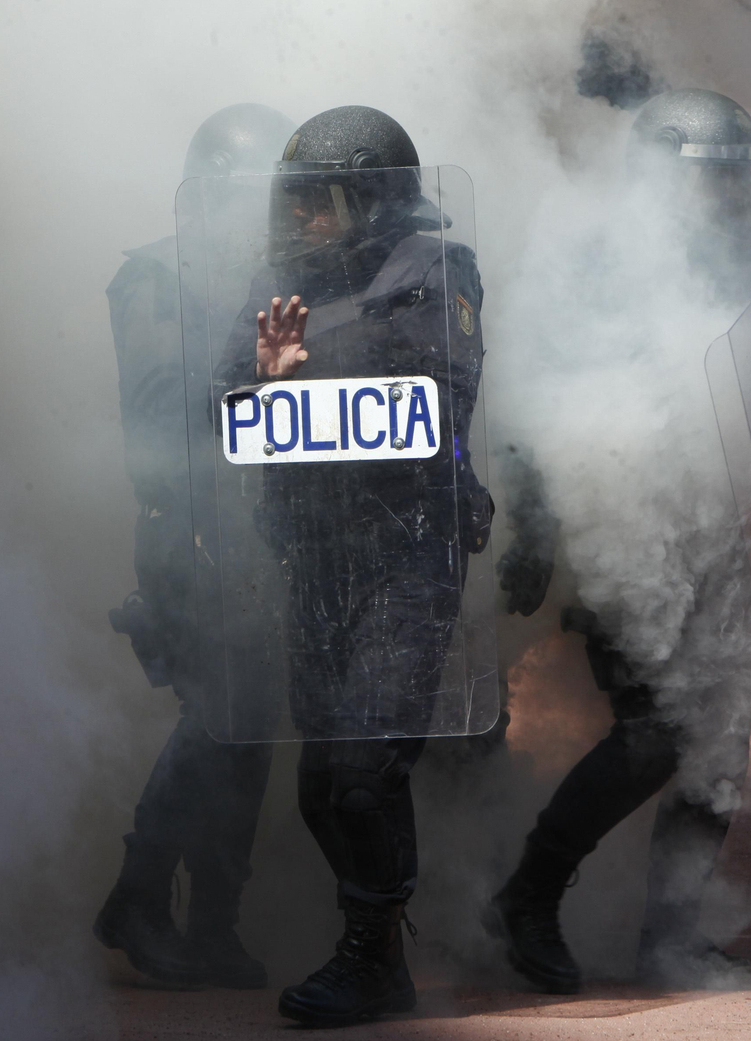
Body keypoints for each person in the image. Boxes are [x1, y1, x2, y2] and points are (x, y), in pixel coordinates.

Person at [487, 88, 751, 994]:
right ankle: (527, 894)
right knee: (653, 735)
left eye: (738, 180)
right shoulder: (596, 262)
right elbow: (536, 393)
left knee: (721, 739)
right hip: (625, 532)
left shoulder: (747, 268)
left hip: (717, 535)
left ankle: (673, 934)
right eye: (710, 181)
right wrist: (531, 529)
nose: (728, 198)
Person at [210, 106, 488, 1026]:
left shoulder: (433, 272)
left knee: (366, 768)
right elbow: (221, 413)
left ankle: (375, 960)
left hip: (405, 550)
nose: (297, 223)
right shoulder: (276, 282)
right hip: (314, 550)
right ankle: (372, 934)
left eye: (316, 204)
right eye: (289, 204)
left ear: (370, 201)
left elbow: (442, 403)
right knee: (323, 780)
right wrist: (265, 382)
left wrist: (312, 385)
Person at [93, 104, 296, 990]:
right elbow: (154, 418)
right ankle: (139, 896)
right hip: (190, 528)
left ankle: (214, 921)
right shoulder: (158, 278)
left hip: (261, 526)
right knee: (219, 718)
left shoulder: (274, 272)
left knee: (247, 731)